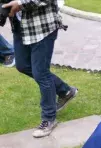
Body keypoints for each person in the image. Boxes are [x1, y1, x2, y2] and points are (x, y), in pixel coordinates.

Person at [3, 0, 78, 138]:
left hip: (41, 28)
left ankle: (49, 119)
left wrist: (20, 3)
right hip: (21, 27)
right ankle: (65, 91)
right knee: (22, 65)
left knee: (41, 73)